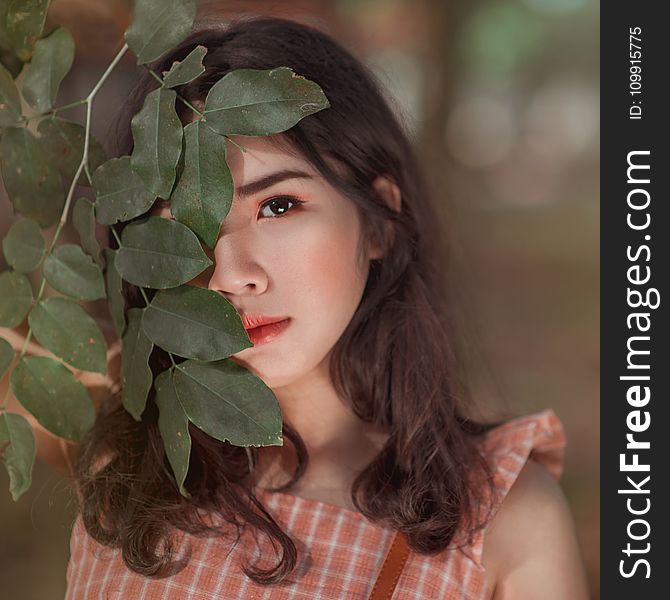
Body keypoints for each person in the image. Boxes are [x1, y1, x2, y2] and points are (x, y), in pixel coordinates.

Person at [3, 16, 589, 599]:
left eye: (279, 206)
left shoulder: (501, 520)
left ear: (380, 221)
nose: (232, 276)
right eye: (186, 226)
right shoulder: (115, 432)